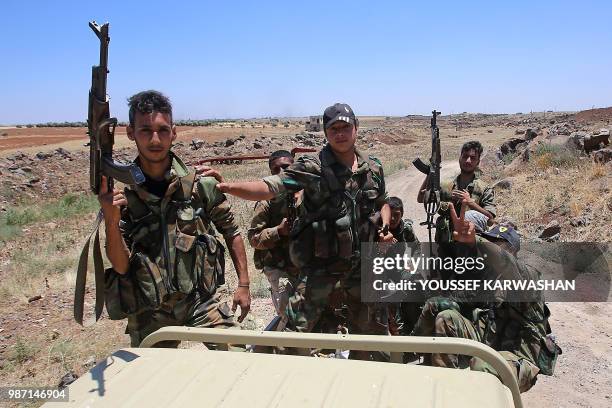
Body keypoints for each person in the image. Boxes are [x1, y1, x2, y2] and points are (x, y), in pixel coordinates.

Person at [217, 103, 394, 358]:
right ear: (325, 132)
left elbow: (383, 202)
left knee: (371, 340)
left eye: (346, 127)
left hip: (361, 270)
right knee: (292, 338)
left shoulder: (373, 167)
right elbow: (270, 187)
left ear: (356, 128)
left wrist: (384, 226)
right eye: (334, 128)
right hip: (320, 272)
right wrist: (229, 187)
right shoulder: (312, 167)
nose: (340, 133)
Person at [98, 90, 251, 347]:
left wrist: (244, 285)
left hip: (199, 301)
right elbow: (121, 266)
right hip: (149, 311)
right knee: (151, 381)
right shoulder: (121, 195)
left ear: (174, 132)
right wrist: (111, 222)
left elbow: (231, 230)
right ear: (130, 132)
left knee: (239, 357)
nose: (155, 139)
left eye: (163, 130)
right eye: (145, 130)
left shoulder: (199, 186)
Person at [410, 202, 561, 393]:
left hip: (519, 357)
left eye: (499, 245)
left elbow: (505, 263)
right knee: (446, 318)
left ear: (513, 252)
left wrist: (477, 242)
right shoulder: (490, 276)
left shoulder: (527, 277)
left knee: (482, 365)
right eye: (490, 242)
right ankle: (444, 389)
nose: (492, 249)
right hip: (491, 340)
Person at [247, 150, 300, 319]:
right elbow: (254, 239)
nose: (281, 173)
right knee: (288, 316)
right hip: (280, 268)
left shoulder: (309, 194)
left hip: (307, 267)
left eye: (285, 167)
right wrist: (278, 231)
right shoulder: (267, 201)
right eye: (275, 169)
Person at [417, 140, 496, 242]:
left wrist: (470, 203)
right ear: (459, 158)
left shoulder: (485, 189)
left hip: (470, 245)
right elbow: (421, 198)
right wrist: (431, 171)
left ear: (478, 162)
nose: (468, 161)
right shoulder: (446, 185)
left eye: (473, 158)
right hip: (445, 245)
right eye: (465, 156)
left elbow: (490, 220)